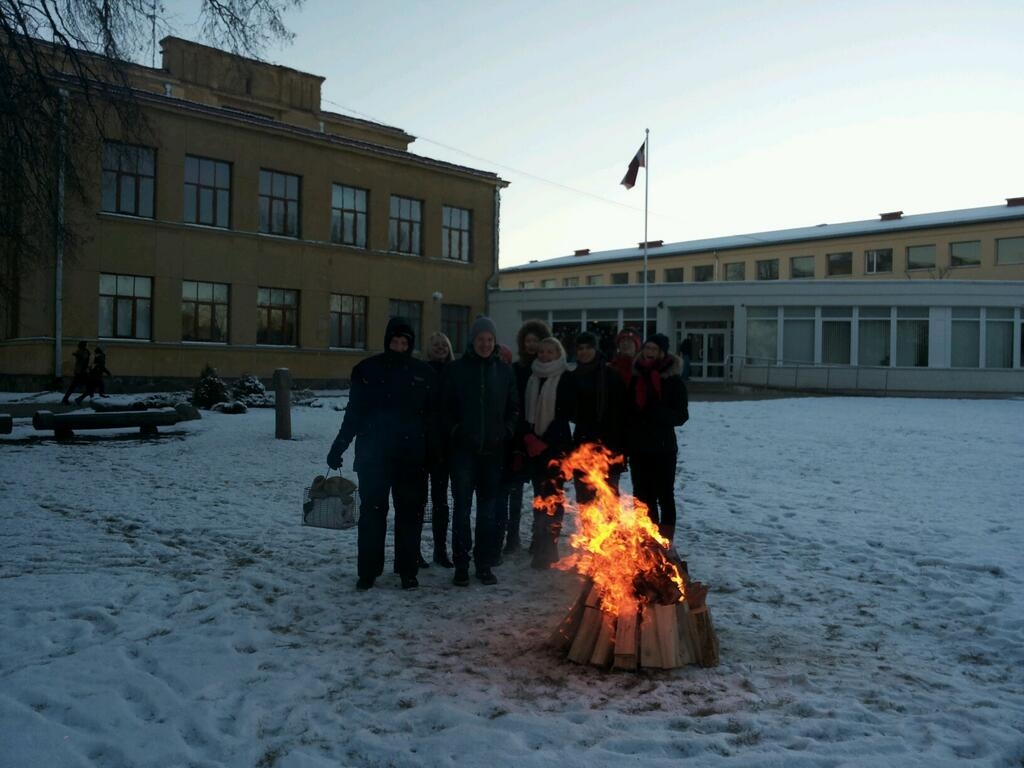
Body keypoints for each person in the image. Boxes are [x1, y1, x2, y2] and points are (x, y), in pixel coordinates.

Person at [327, 317, 437, 591]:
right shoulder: (367, 370)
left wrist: (434, 453)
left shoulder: (423, 373)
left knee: (409, 515)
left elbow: (433, 419)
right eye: (395, 341)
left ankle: (407, 570)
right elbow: (354, 413)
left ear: (410, 344)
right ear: (387, 341)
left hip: (411, 457)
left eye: (404, 342)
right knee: (372, 514)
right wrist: (339, 445)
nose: (399, 347)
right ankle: (368, 570)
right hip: (374, 456)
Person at [441, 315, 518, 586]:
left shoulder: (504, 371)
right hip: (463, 453)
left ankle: (483, 564)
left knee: (487, 512)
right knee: (462, 510)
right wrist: (456, 431)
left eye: (489, 339)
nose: (485, 344)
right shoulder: (456, 370)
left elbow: (513, 408)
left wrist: (506, 431)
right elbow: (445, 409)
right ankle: (461, 565)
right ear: (472, 341)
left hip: (493, 454)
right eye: (480, 339)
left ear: (495, 342)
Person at [625, 333, 689, 545]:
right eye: (647, 348)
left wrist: (658, 413)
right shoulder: (636, 377)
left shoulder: (672, 380)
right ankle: (647, 539)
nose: (649, 353)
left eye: (654, 349)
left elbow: (681, 415)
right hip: (639, 446)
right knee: (642, 495)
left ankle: (666, 542)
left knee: (664, 495)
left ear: (662, 353)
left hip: (663, 447)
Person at [499, 319, 551, 556]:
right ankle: (512, 537)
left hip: (543, 440)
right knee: (515, 494)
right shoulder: (516, 370)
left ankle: (538, 538)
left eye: (536, 341)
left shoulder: (550, 370)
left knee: (542, 494)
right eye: (527, 341)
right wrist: (520, 436)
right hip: (518, 440)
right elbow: (512, 403)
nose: (531, 345)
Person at [522, 336, 574, 569]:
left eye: (549, 352)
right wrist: (530, 437)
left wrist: (545, 441)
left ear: (557, 353)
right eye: (541, 352)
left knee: (553, 497)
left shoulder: (564, 377)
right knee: (538, 497)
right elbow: (525, 412)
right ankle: (539, 540)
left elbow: (565, 413)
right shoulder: (532, 377)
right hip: (534, 448)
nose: (544, 355)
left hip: (557, 447)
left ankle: (548, 546)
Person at [569, 331, 626, 502]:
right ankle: (587, 530)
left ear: (595, 349)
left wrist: (619, 444)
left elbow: (621, 411)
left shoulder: (611, 376)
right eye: (580, 348)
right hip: (583, 443)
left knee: (610, 498)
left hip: (610, 443)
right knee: (586, 500)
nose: (584, 352)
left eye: (588, 347)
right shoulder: (573, 377)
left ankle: (612, 529)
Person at [424, 331, 455, 568]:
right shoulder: (421, 371)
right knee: (417, 502)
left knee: (441, 502)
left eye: (444, 344)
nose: (440, 347)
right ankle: (413, 550)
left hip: (448, 447)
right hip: (423, 445)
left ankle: (440, 549)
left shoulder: (457, 372)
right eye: (436, 344)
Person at [61, 340, 91, 404]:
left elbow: (81, 359)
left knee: (73, 386)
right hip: (82, 372)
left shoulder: (80, 351)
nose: (87, 346)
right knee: (90, 386)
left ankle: (66, 399)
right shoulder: (84, 352)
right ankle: (79, 399)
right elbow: (83, 359)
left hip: (79, 372)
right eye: (87, 344)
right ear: (84, 345)